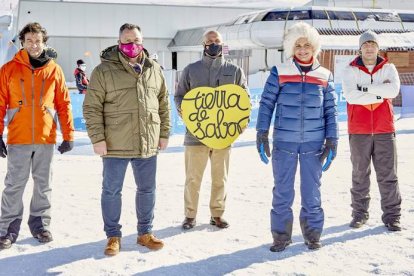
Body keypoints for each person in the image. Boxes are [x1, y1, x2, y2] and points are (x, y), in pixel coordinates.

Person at [83, 23, 171, 256]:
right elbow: (91, 107)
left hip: (147, 141)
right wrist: (97, 138)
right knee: (111, 191)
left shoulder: (154, 68)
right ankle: (113, 235)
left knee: (147, 190)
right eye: (128, 41)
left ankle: (145, 233)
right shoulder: (103, 71)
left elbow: (163, 104)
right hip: (114, 143)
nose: (133, 45)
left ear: (142, 41)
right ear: (119, 42)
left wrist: (163, 134)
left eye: (137, 40)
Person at [256, 22, 338, 252]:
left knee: (312, 193)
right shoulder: (280, 72)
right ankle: (281, 236)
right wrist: (261, 133)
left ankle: (313, 235)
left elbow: (331, 111)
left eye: (307, 45)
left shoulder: (324, 75)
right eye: (298, 45)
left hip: (313, 144)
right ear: (292, 48)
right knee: (282, 192)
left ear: (314, 48)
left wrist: (332, 140)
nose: (303, 49)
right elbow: (266, 105)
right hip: (284, 143)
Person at [0, 22, 74, 250]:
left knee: (43, 184)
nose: (34, 45)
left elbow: (63, 103)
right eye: (29, 40)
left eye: (38, 41)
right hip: (18, 138)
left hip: (45, 138)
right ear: (22, 42)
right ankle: (7, 229)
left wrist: (68, 134)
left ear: (44, 42)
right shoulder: (8, 69)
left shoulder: (54, 70)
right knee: (14, 185)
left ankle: (41, 225)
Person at [174, 30, 248, 230]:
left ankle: (217, 214)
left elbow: (244, 99)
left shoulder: (234, 71)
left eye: (217, 41)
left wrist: (241, 121)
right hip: (195, 135)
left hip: (224, 135)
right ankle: (190, 215)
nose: (213, 44)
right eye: (209, 42)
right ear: (203, 45)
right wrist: (185, 112)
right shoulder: (191, 70)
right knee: (192, 178)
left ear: (222, 44)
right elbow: (179, 96)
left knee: (220, 178)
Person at [342, 30, 402, 231]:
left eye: (372, 44)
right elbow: (351, 96)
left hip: (385, 128)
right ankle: (359, 214)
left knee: (388, 174)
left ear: (378, 47)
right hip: (359, 129)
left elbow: (392, 91)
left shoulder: (389, 67)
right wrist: (379, 92)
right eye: (365, 44)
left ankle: (392, 216)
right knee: (360, 174)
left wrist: (365, 89)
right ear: (360, 48)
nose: (369, 48)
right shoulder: (350, 70)